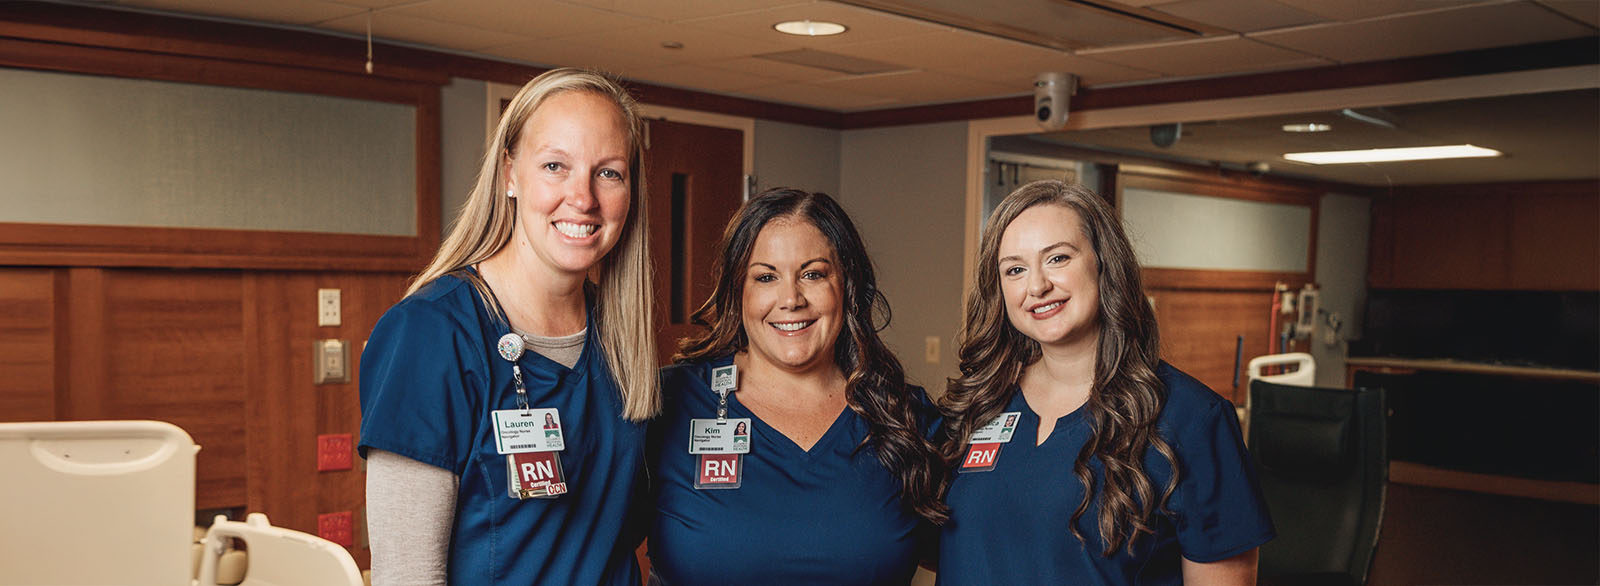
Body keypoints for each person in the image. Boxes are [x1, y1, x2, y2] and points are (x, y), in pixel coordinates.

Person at [358, 68, 657, 586]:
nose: (582, 197)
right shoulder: (431, 335)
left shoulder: (620, 338)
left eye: (608, 172)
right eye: (555, 165)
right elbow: (407, 574)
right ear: (509, 174)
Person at [936, 180, 1273, 585]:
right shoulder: (978, 403)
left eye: (1058, 258)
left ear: (1103, 263)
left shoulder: (1192, 418)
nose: (1037, 285)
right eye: (1015, 269)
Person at [647, 189, 946, 585]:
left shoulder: (905, 418)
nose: (790, 298)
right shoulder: (668, 403)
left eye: (813, 274)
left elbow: (985, 554)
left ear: (847, 285)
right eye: (766, 277)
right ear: (738, 292)